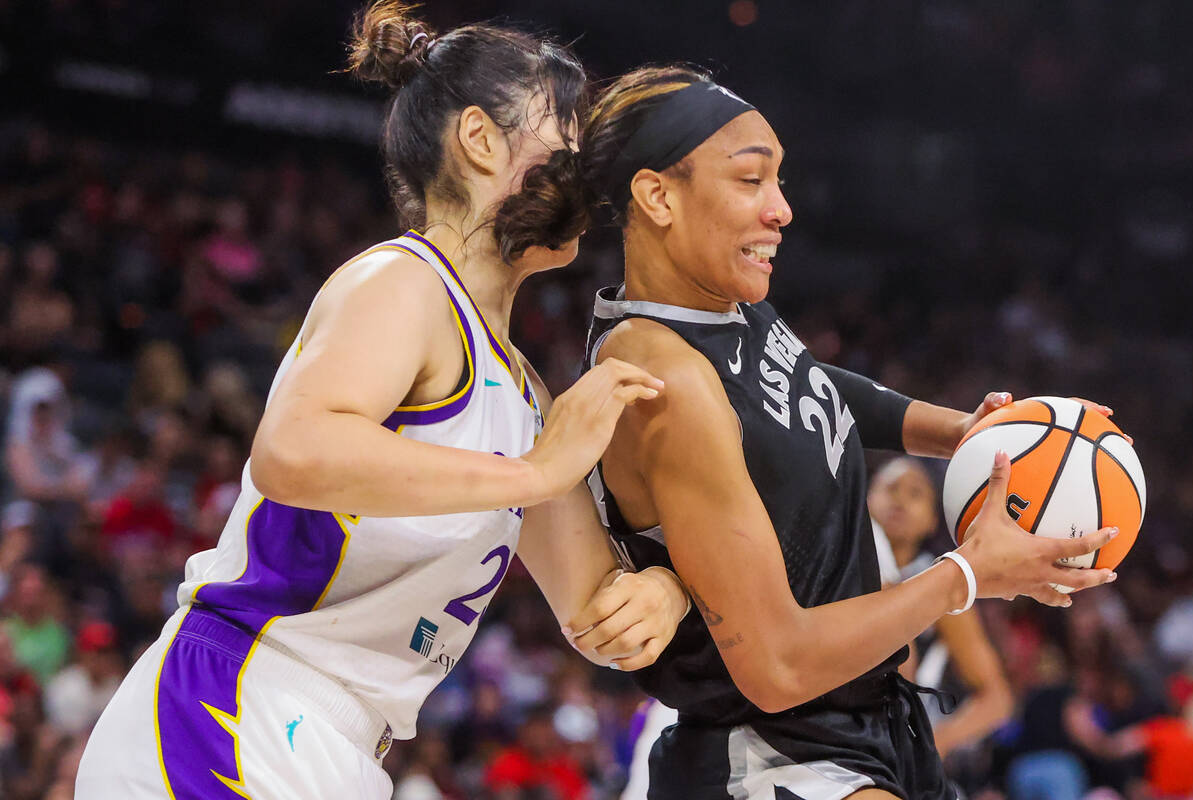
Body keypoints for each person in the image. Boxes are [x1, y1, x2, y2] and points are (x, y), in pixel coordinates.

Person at [75, 8, 689, 798]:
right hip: (232, 706)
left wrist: (662, 592)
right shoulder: (404, 281)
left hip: (339, 746)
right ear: (480, 139)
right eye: (565, 126)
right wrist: (535, 474)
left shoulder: (528, 393)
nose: (584, 157)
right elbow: (294, 454)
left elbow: (594, 615)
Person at [575, 66, 1120, 800]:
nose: (783, 210)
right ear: (657, 195)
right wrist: (965, 575)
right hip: (772, 749)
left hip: (866, 726)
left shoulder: (721, 311)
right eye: (750, 181)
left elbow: (812, 387)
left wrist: (961, 430)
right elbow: (776, 667)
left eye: (780, 181)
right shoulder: (662, 377)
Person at [867, 458, 1014, 757]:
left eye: (916, 493)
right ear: (866, 498)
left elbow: (997, 698)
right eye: (891, 488)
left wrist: (936, 744)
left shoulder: (941, 581)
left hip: (897, 743)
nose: (900, 499)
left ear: (933, 519)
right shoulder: (840, 567)